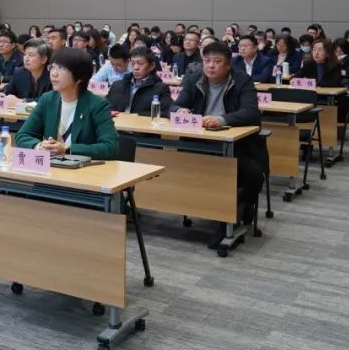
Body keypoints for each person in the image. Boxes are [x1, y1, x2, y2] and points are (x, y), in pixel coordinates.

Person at [170, 41, 264, 237]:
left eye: (217, 61)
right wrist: (180, 110)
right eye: (207, 61)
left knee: (253, 174)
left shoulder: (242, 81)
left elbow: (252, 113)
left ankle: (238, 209)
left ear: (228, 65)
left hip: (235, 145)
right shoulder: (193, 79)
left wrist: (222, 120)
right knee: (175, 165)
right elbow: (173, 106)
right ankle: (209, 207)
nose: (210, 66)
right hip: (198, 143)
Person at [14, 48, 119, 160]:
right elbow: (22, 135)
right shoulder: (47, 99)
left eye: (61, 68)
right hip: (51, 166)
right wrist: (39, 146)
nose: (54, 73)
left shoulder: (97, 104)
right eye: (52, 67)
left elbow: (110, 147)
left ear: (79, 77)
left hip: (82, 168)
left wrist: (67, 149)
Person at [107, 48, 171, 116]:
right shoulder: (117, 85)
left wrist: (138, 115)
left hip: (142, 122)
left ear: (152, 66)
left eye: (140, 63)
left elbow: (165, 113)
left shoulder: (160, 89)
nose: (135, 68)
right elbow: (105, 107)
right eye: (133, 63)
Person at [0, 39, 52, 106]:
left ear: (44, 59)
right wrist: (2, 95)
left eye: (31, 55)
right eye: (25, 54)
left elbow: (51, 100)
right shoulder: (20, 73)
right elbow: (8, 90)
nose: (26, 58)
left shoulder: (52, 76)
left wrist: (23, 101)